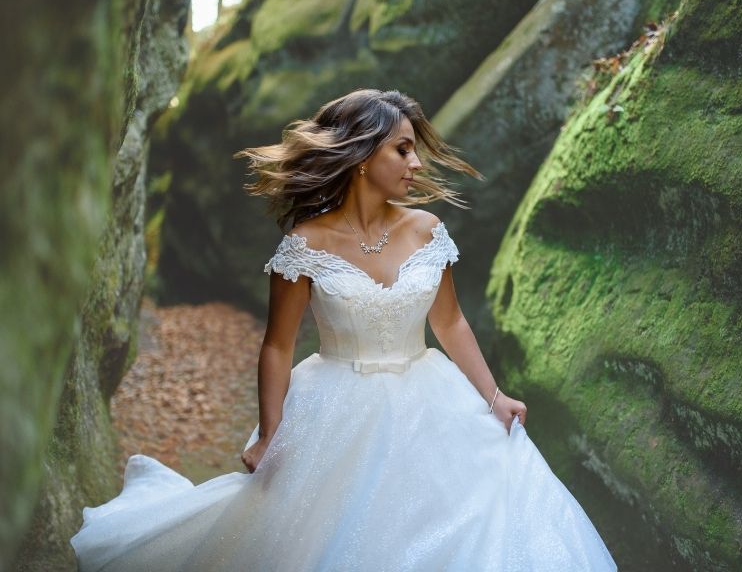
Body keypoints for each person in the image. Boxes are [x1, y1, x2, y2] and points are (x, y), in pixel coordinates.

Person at [70, 89, 617, 571]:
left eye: (415, 149)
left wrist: (494, 396)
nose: (416, 162)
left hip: (433, 401)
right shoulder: (306, 244)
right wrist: (268, 434)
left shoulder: (428, 230)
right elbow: (277, 346)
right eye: (402, 148)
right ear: (360, 156)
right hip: (335, 407)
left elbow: (449, 321)